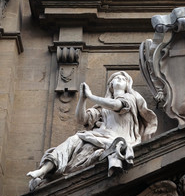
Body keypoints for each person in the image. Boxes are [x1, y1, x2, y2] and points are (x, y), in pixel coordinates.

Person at [27, 71, 157, 190]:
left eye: (122, 79)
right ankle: (43, 170)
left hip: (119, 139)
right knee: (73, 139)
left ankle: (55, 178)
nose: (118, 79)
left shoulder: (130, 98)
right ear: (110, 84)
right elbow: (81, 119)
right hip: (101, 135)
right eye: (115, 78)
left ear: (127, 84)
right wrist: (83, 99)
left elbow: (116, 105)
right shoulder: (102, 107)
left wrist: (91, 96)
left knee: (87, 152)